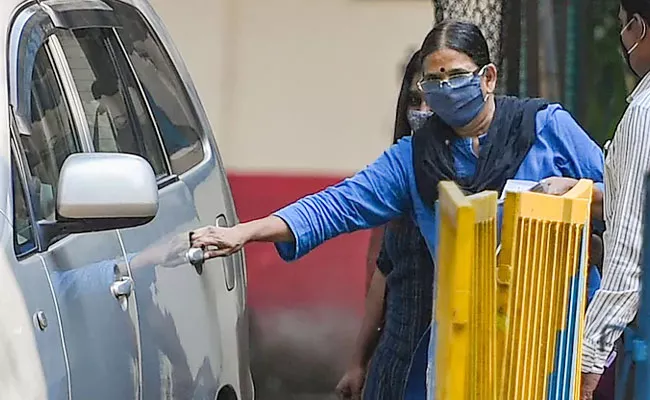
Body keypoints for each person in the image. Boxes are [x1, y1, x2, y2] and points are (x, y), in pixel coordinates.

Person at [190, 20, 605, 396]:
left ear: (488, 77)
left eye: (457, 76)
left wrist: (578, 191)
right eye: (434, 80)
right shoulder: (413, 159)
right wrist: (244, 233)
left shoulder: (546, 128)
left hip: (555, 334)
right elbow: (338, 206)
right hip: (468, 343)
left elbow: (620, 198)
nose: (445, 88)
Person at [543, 1, 650, 398]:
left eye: (624, 26)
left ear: (639, 27)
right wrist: (585, 194)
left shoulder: (644, 112)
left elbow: (631, 248)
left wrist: (588, 357)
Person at [334, 50, 436, 400]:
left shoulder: (486, 170)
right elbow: (382, 271)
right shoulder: (399, 171)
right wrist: (358, 362)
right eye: (413, 100)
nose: (422, 112)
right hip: (396, 360)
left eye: (432, 99)